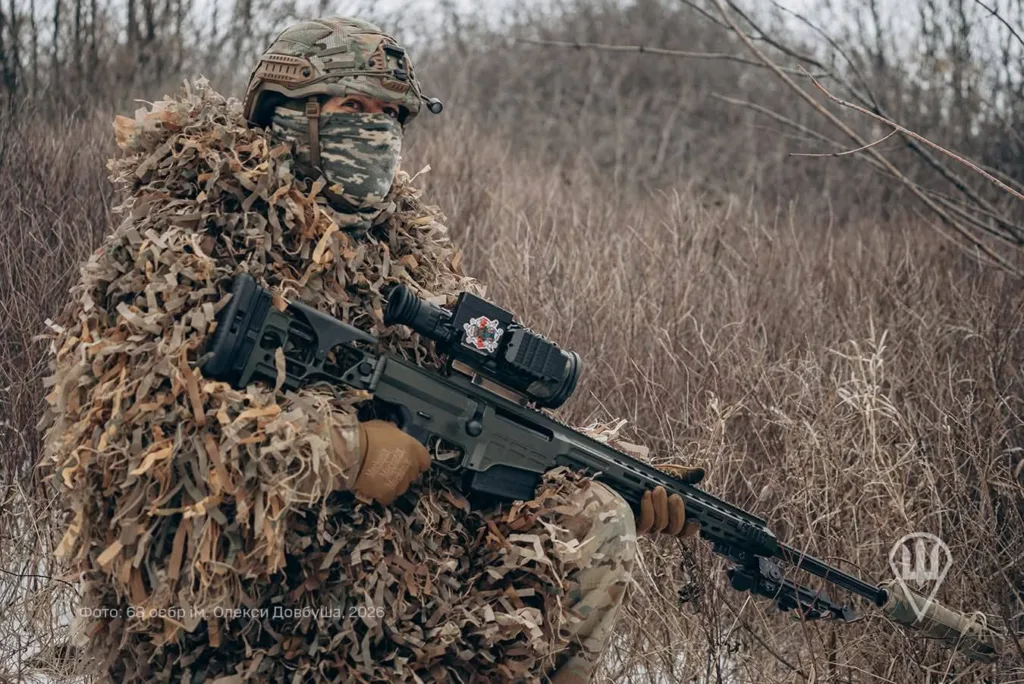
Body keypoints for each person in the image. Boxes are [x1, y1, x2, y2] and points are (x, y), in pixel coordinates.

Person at [238, 17, 705, 682]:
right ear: (284, 112)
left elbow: (476, 420)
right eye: (351, 106)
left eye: (388, 115)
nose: (373, 129)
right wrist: (350, 452)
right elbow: (157, 452)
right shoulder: (199, 242)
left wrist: (619, 475)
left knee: (597, 519)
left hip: (406, 581)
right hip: (264, 613)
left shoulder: (402, 254)